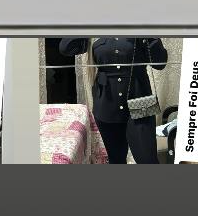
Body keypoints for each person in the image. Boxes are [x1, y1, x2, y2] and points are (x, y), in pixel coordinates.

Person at [60, 34, 169, 163]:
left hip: (141, 98)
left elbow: (160, 63)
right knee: (116, 160)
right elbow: (66, 48)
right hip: (106, 102)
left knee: (147, 160)